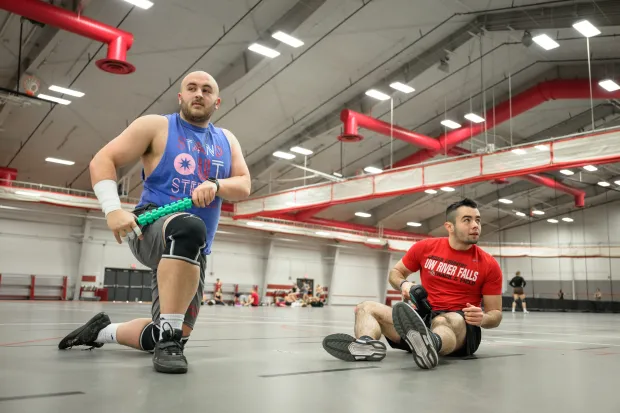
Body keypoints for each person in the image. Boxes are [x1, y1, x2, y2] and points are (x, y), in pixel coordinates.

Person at [57, 71, 251, 374]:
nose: (198, 94)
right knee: (188, 227)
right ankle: (169, 341)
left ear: (217, 102)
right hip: (151, 228)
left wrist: (216, 184)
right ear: (181, 96)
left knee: (167, 332)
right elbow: (103, 160)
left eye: (206, 90)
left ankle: (100, 332)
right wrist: (112, 209)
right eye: (191, 88)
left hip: (194, 249)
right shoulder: (156, 126)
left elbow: (244, 184)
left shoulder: (227, 140)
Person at [322, 198, 503, 369]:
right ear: (449, 226)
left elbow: (495, 314)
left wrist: (483, 318)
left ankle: (430, 343)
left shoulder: (488, 264)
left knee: (448, 320)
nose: (475, 225)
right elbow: (396, 272)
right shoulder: (425, 248)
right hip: (421, 321)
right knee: (365, 307)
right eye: (467, 220)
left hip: (461, 327)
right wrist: (404, 285)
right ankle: (366, 345)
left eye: (478, 220)